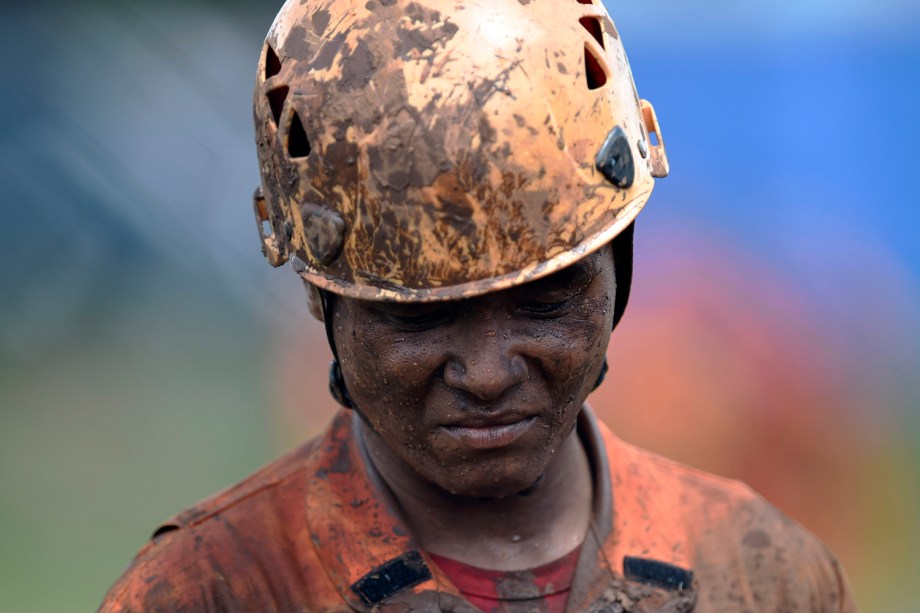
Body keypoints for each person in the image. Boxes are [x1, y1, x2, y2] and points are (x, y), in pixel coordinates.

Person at [100, 0, 857, 611]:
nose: (489, 374)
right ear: (320, 298)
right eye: (420, 316)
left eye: (546, 301)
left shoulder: (766, 575)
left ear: (615, 273)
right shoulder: (212, 589)